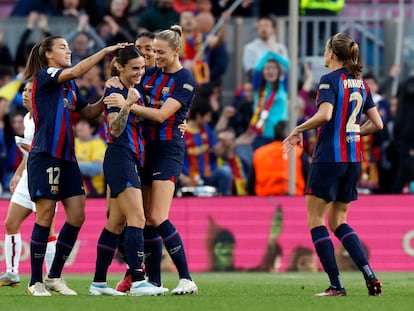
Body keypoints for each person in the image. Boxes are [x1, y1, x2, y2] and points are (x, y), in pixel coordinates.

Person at [22, 35, 129, 296]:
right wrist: (105, 50)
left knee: (77, 215)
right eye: (63, 47)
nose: (68, 51)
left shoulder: (69, 87)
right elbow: (79, 70)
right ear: (48, 54)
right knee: (45, 217)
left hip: (67, 157)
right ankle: (35, 281)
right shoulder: (46, 75)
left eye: (69, 48)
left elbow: (89, 112)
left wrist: (110, 92)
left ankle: (54, 276)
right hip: (46, 154)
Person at [283, 32, 384, 297]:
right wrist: (352, 132)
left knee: (316, 221)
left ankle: (336, 286)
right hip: (353, 160)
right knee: (339, 221)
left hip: (329, 157)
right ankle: (369, 274)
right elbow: (378, 124)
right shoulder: (361, 84)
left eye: (326, 49)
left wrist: (298, 129)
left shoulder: (329, 80)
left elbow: (325, 114)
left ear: (331, 53)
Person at [104, 25, 198, 295]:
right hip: (143, 148)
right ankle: (152, 280)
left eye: (161, 52)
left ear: (177, 51)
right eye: (153, 52)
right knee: (141, 218)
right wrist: (113, 84)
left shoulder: (185, 79)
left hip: (168, 150)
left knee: (157, 215)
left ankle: (186, 277)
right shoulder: (151, 74)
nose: (155, 57)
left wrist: (127, 104)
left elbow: (160, 116)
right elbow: (125, 81)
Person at [89, 46, 168, 296]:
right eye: (135, 68)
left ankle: (98, 283)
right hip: (120, 157)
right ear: (119, 67)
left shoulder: (131, 89)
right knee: (138, 219)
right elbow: (114, 129)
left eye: (142, 67)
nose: (140, 72)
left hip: (128, 157)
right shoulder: (114, 90)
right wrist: (127, 105)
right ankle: (138, 280)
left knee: (116, 223)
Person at [0, 81, 57, 288]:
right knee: (10, 223)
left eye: (29, 90)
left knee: (48, 229)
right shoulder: (27, 118)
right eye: (23, 90)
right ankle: (12, 273)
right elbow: (30, 153)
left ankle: (53, 277)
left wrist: (30, 148)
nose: (25, 94)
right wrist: (17, 174)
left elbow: (46, 148)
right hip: (28, 176)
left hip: (45, 175)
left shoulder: (46, 117)